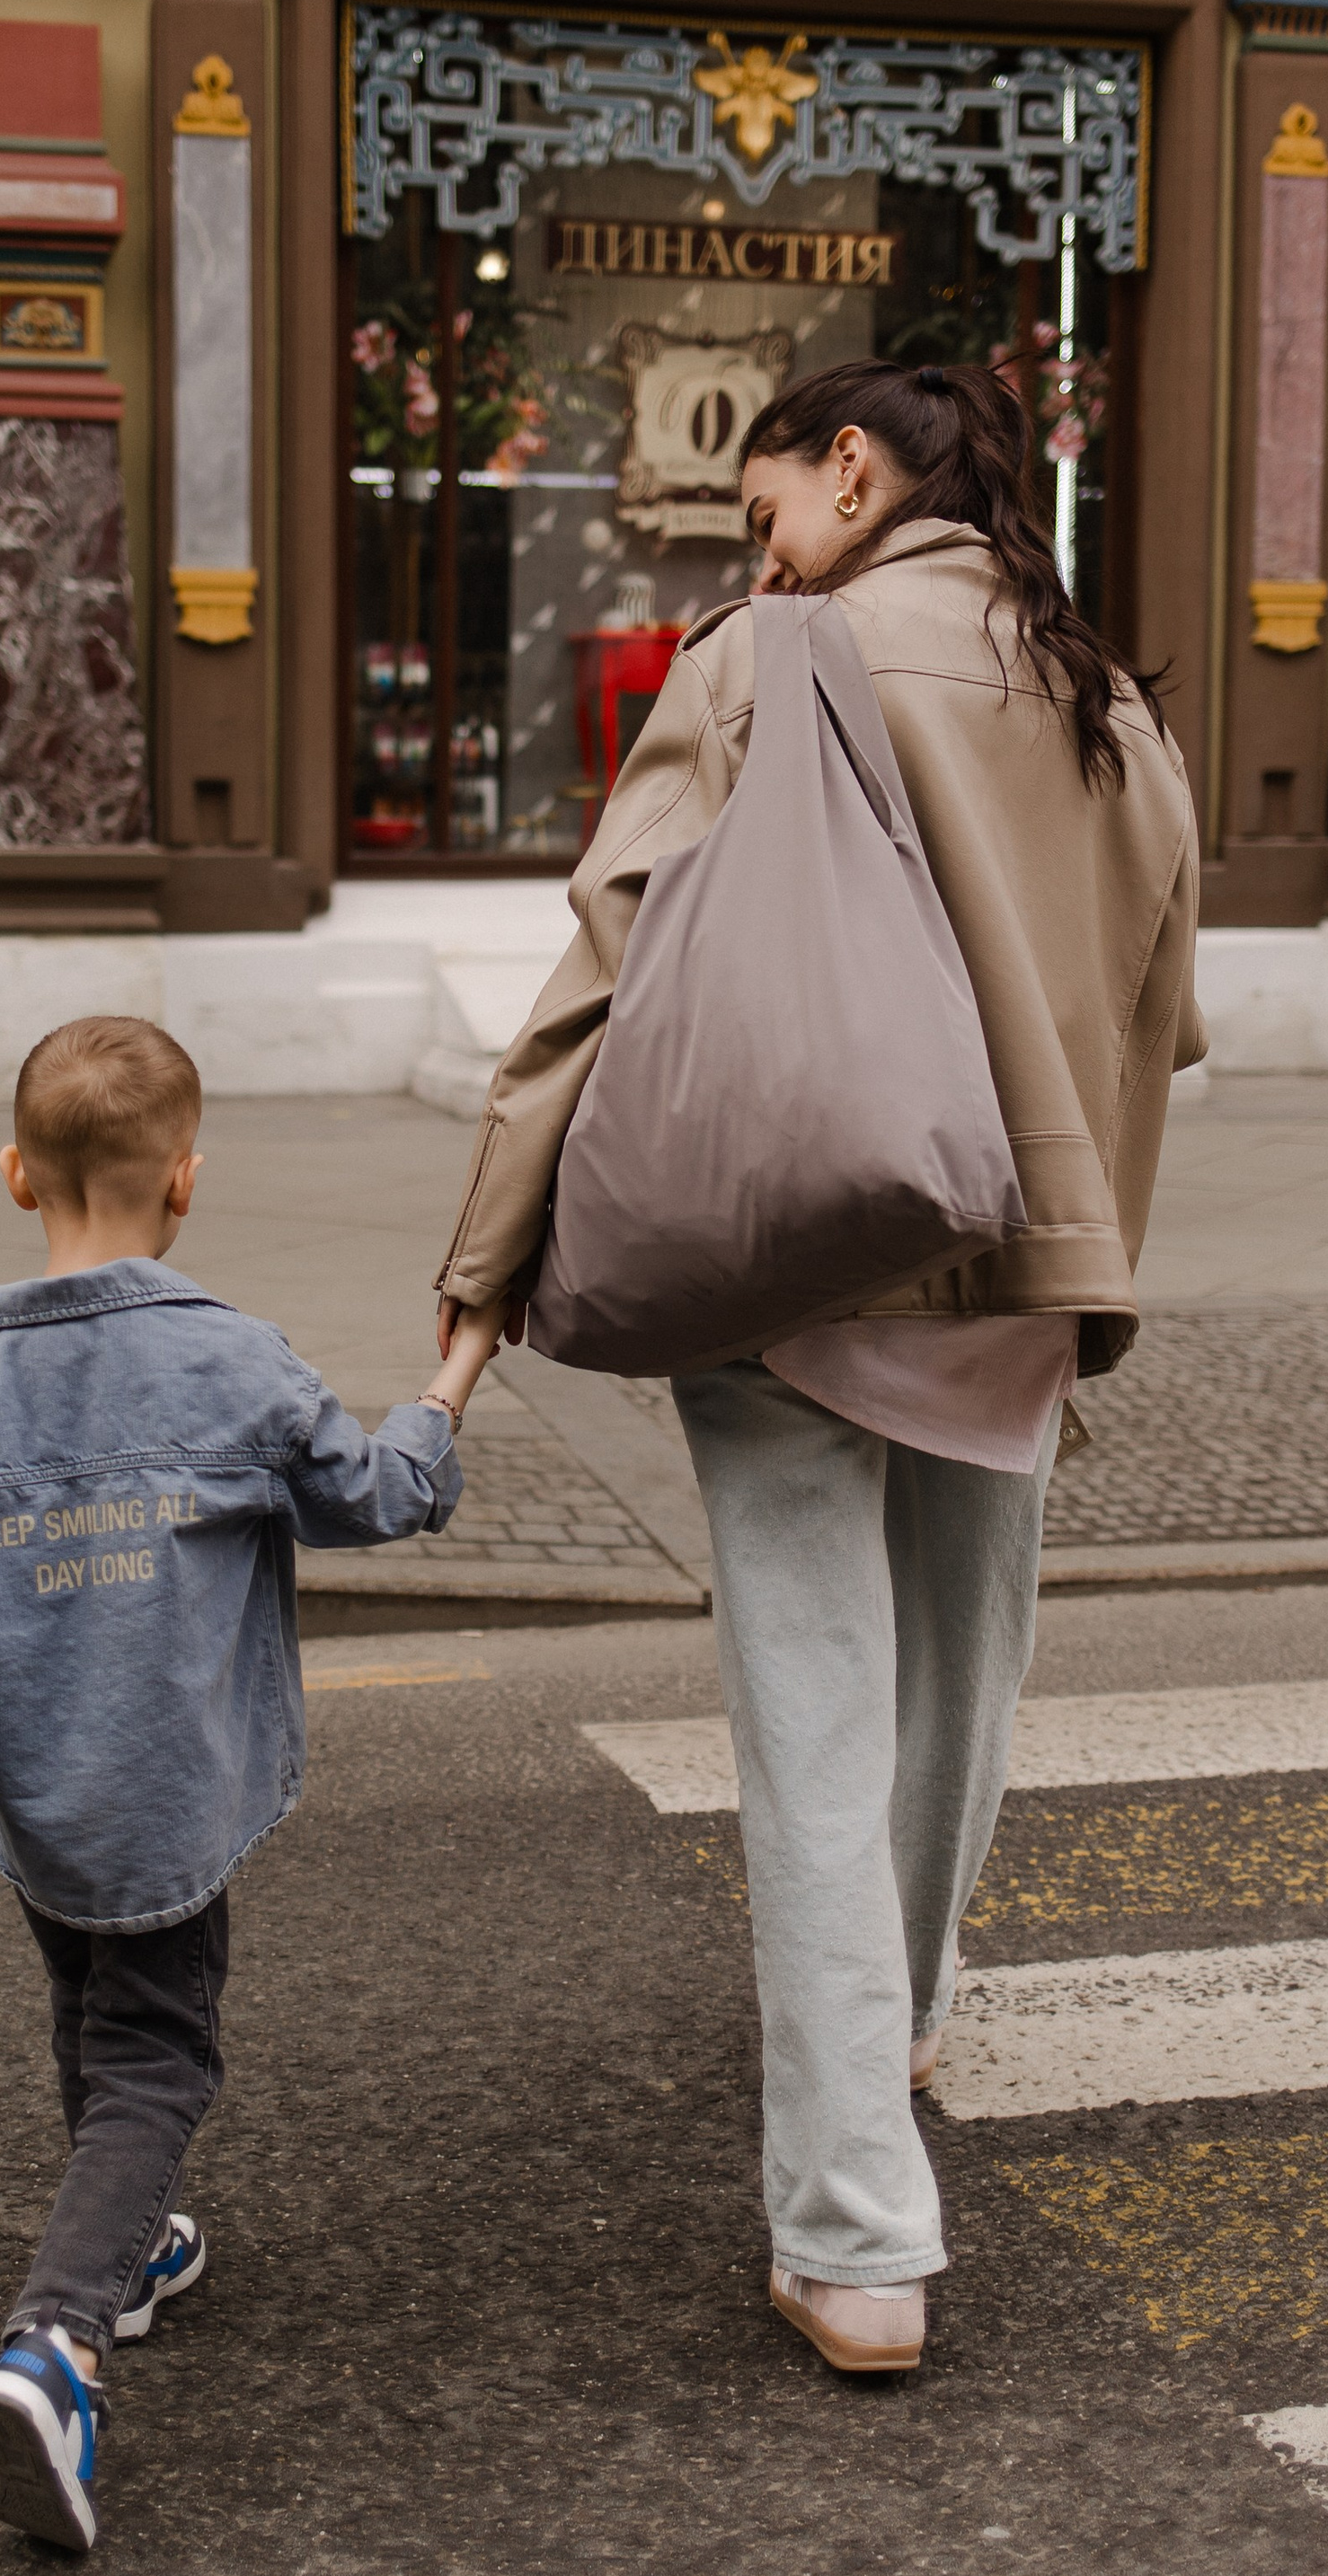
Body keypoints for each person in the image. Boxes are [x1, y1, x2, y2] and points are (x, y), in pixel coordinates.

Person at [435, 357, 1203, 2378]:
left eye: (765, 504)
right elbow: (1153, 1022)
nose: (754, 544)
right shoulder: (1103, 696)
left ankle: (858, 2234)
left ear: (849, 470)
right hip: (1025, 1257)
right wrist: (1073, 1239)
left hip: (790, 1247)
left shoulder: (774, 653)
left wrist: (482, 1260)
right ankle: (913, 2003)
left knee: (808, 1716)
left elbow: (608, 963)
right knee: (965, 1666)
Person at [0, 1013, 500, 2551]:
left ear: (15, 1175)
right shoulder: (230, 1359)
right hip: (166, 1797)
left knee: (91, 2011)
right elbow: (379, 1495)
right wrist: (453, 1375)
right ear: (186, 1182)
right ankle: (55, 2346)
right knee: (157, 2063)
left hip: (36, 1801)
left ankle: (124, 2259)